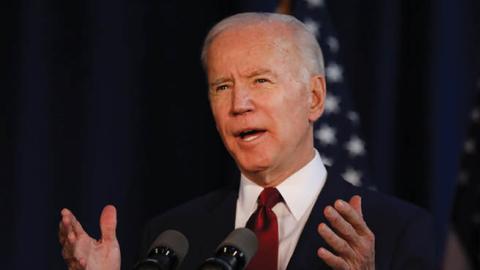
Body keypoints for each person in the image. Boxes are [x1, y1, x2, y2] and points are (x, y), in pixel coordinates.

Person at [59, 12, 436, 270]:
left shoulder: (395, 232)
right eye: (222, 86)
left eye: (261, 81)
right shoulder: (172, 236)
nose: (239, 104)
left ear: (315, 98)